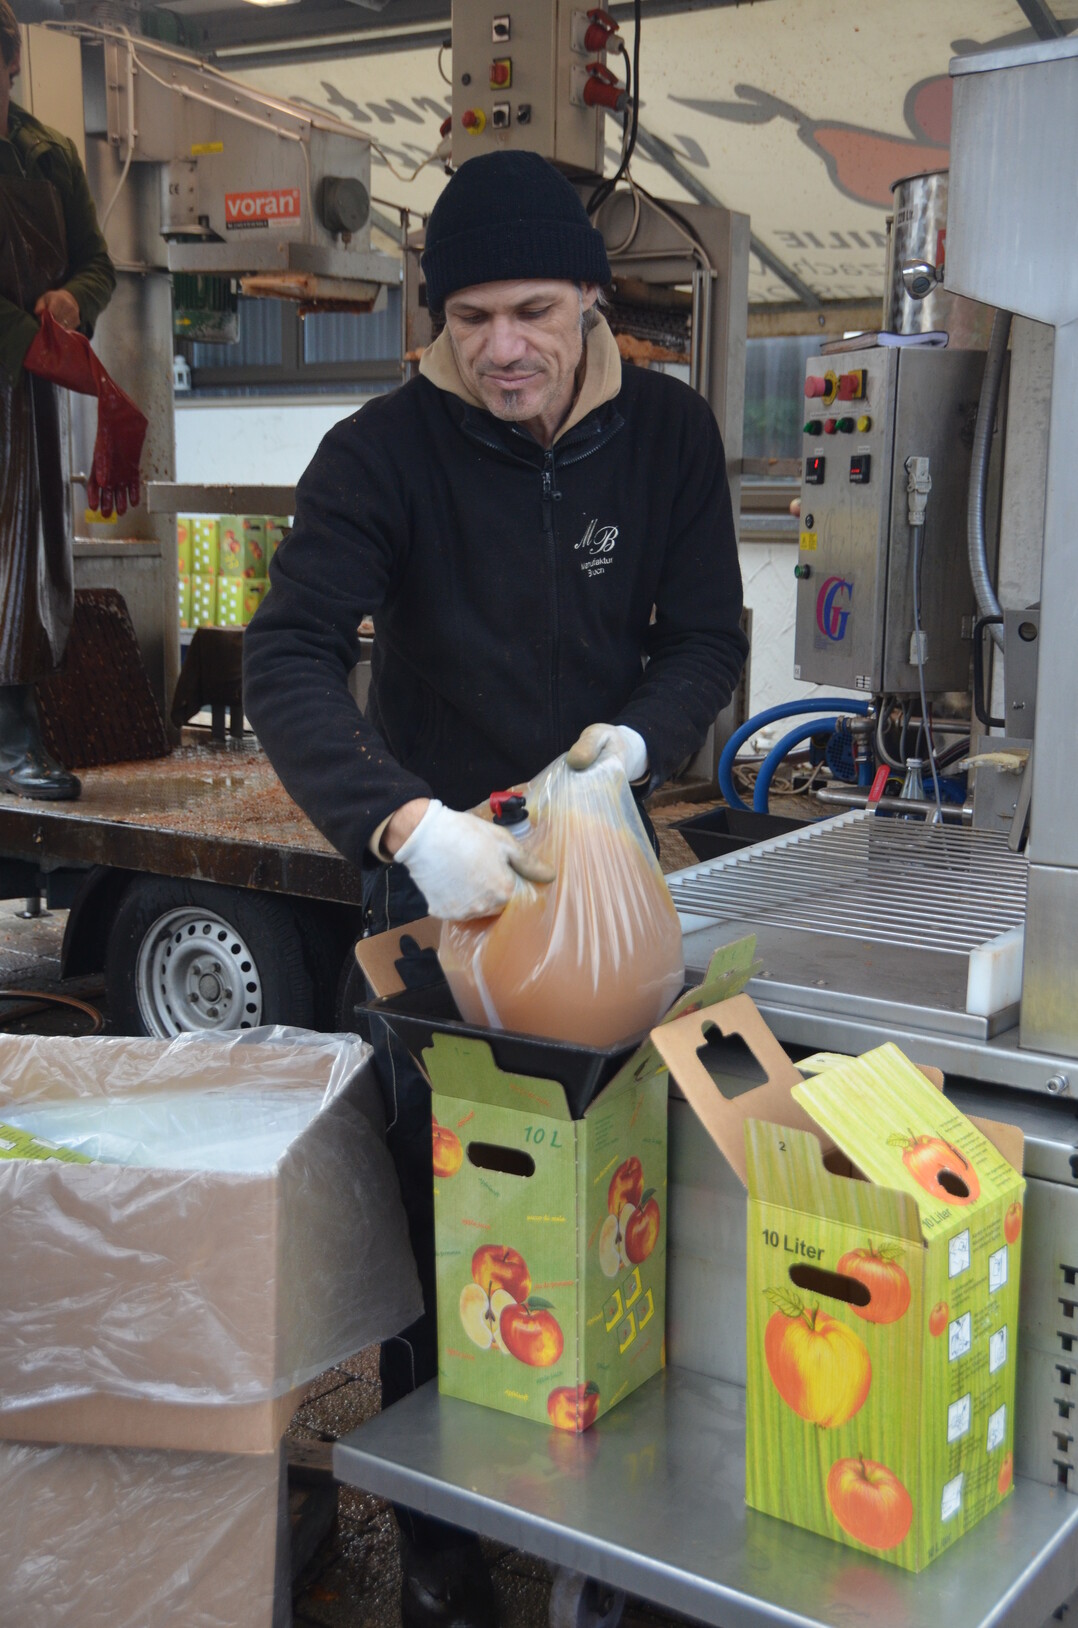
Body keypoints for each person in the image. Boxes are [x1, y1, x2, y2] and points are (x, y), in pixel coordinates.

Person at [244, 149, 747, 1628]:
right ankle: (447, 1562)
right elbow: (287, 656)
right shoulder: (381, 452)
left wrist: (638, 744)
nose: (500, 348)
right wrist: (404, 825)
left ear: (595, 304)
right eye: (467, 318)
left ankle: (613, 1542)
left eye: (532, 309)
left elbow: (705, 634)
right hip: (443, 894)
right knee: (442, 1217)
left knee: (619, 1203)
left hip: (598, 881)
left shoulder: (666, 434)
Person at [0, 0, 115, 800]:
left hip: (26, 405)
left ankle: (12, 736)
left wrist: (74, 300)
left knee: (24, 562)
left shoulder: (49, 157)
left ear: (9, 60)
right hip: (22, 364)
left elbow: (98, 265)